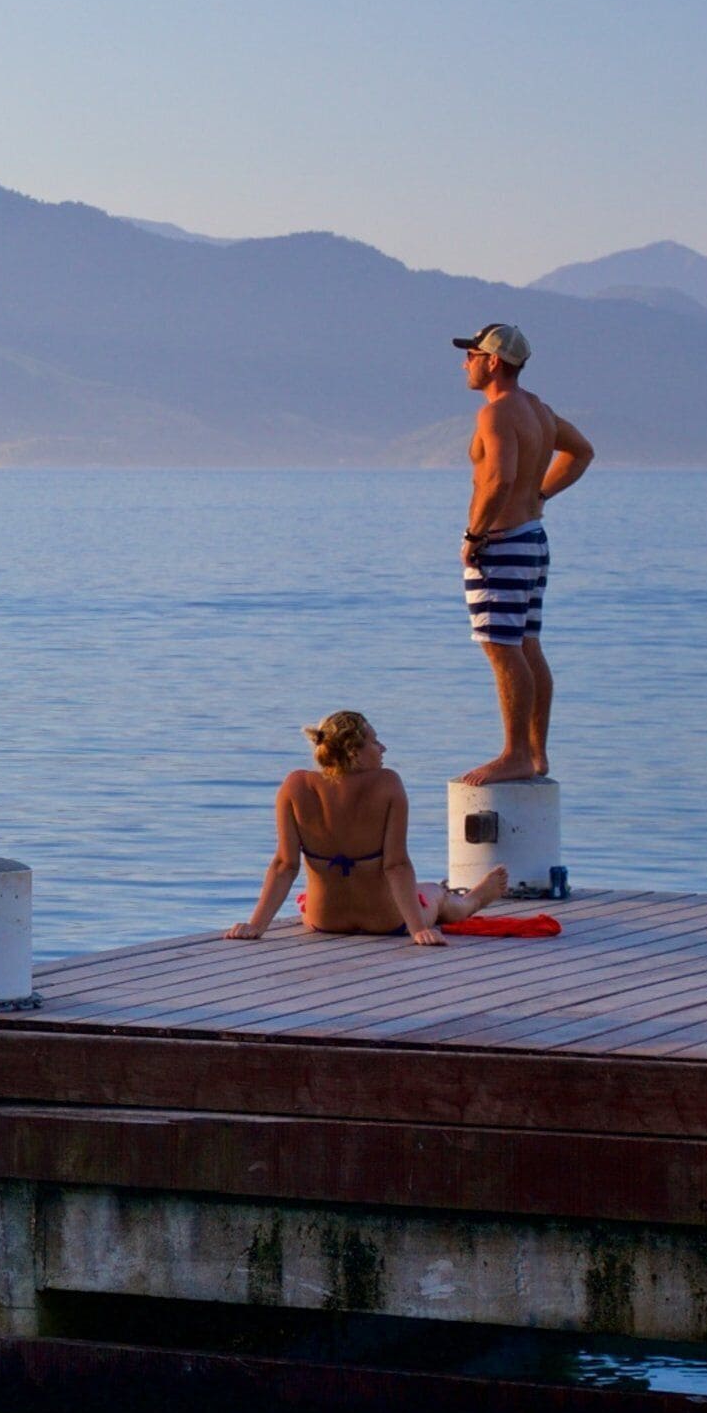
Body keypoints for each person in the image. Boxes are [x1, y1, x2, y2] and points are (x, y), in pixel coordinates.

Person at [224, 711, 508, 946]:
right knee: (434, 892)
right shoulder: (387, 784)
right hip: (386, 920)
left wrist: (255, 926)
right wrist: (418, 930)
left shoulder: (296, 786)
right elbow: (396, 865)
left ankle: (461, 900)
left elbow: (285, 865)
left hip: (325, 920)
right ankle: (471, 902)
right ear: (354, 752)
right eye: (375, 742)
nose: (383, 748)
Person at [451, 322, 594, 786]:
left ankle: (514, 754)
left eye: (472, 356)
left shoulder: (496, 415)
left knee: (501, 647)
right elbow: (581, 451)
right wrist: (541, 495)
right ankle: (535, 753)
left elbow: (500, 479)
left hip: (503, 542)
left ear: (493, 361)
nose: (465, 364)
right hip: (532, 537)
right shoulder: (539, 411)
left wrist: (474, 536)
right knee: (527, 644)